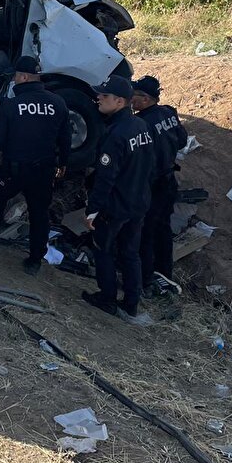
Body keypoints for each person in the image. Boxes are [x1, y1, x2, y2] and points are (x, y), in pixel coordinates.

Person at [0, 57, 71, 275]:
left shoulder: (10, 106)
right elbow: (65, 138)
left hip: (14, 169)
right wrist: (63, 162)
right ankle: (35, 261)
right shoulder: (58, 103)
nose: (14, 80)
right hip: (44, 171)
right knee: (39, 214)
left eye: (16, 76)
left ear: (24, 77)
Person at [82, 75, 155, 323]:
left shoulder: (115, 134)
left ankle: (107, 298)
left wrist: (93, 210)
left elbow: (106, 178)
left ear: (120, 101)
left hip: (116, 206)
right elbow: (149, 165)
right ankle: (131, 303)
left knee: (103, 249)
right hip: (139, 202)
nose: (98, 99)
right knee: (130, 253)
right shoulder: (140, 126)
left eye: (104, 96)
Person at [132, 75, 188, 296]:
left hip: (152, 184)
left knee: (146, 232)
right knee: (163, 229)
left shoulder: (141, 123)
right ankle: (165, 274)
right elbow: (182, 141)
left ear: (145, 99)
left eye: (134, 96)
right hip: (168, 181)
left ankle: (146, 280)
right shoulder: (169, 113)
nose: (130, 100)